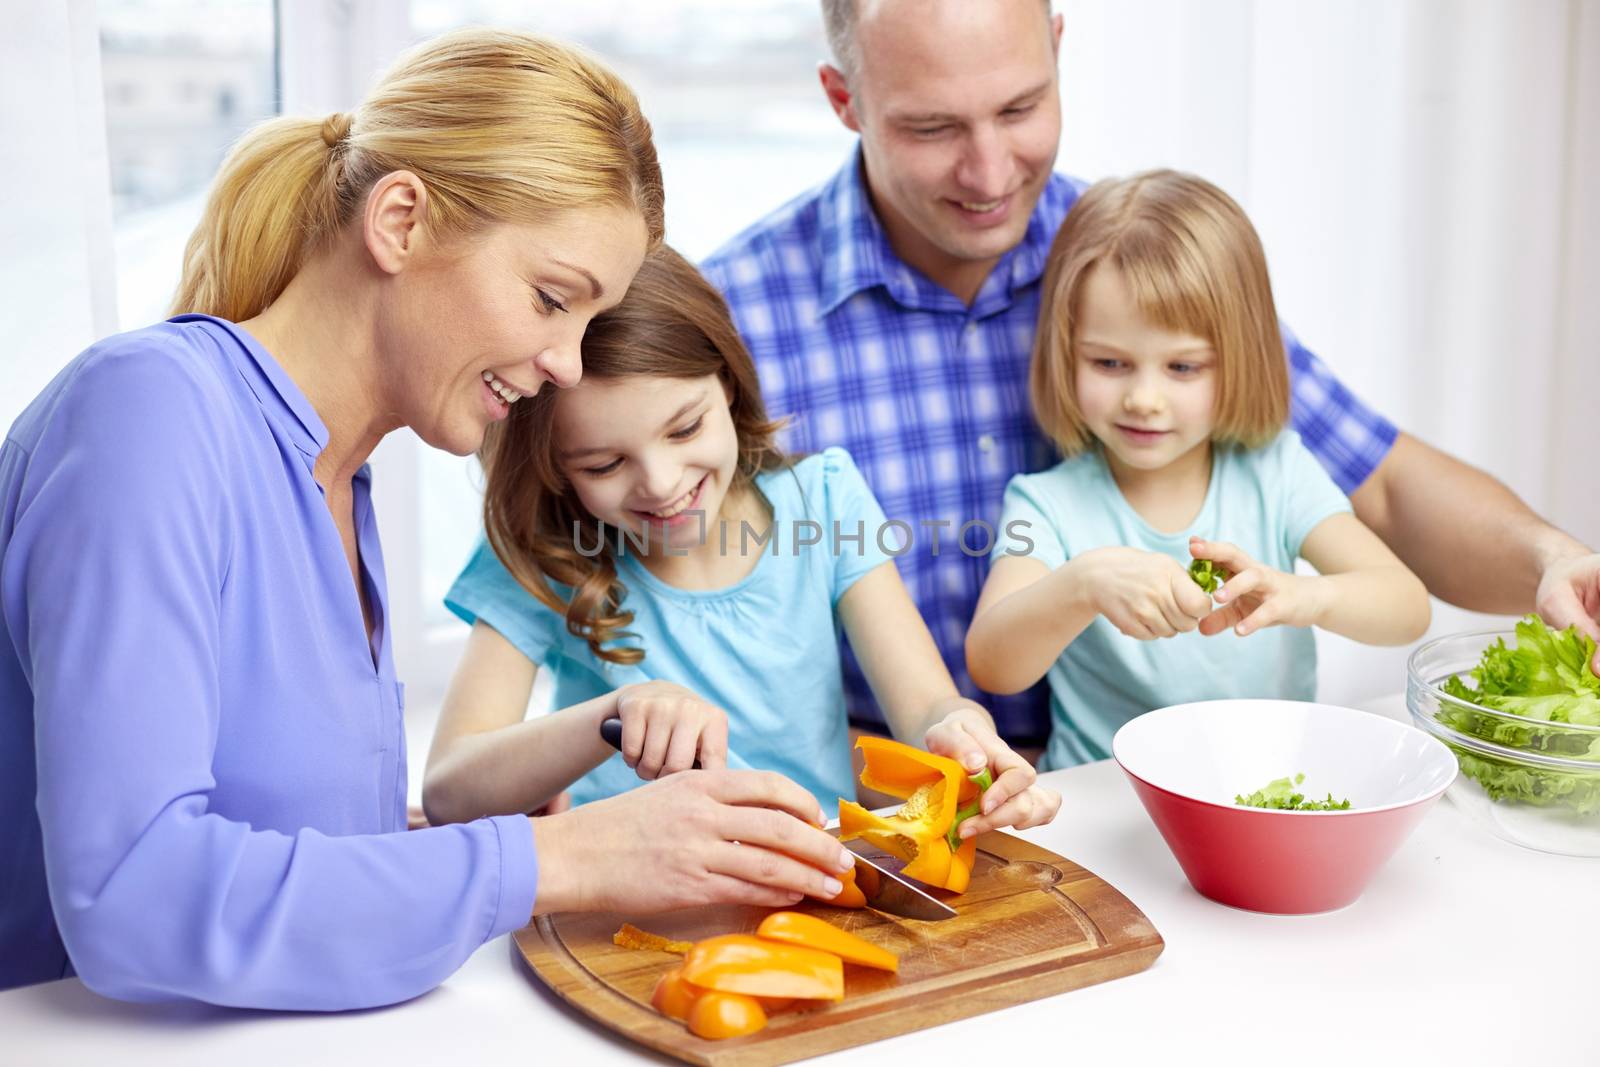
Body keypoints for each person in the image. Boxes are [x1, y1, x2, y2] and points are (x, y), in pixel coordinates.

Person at [0, 29, 856, 1008]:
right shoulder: (148, 412)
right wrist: (549, 855)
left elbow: (278, 848)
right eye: (550, 298)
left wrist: (437, 845)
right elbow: (135, 896)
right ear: (400, 220)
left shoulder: (339, 485)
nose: (567, 366)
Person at [700, 0, 1600, 754]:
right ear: (843, 99)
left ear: (1058, 49)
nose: (987, 172)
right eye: (932, 127)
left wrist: (1553, 562)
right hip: (879, 795)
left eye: (1020, 109)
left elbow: (1386, 492)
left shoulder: (1133, 267)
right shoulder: (730, 320)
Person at [425, 246, 1059, 837]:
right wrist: (612, 715)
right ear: (557, 470)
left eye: (685, 428)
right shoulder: (546, 547)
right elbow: (450, 792)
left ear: (726, 383)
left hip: (812, 870)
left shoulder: (825, 498)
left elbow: (925, 707)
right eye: (603, 466)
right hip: (622, 889)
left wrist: (961, 737)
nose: (662, 484)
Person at [965, 171, 1431, 767]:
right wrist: (1081, 584)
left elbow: (1406, 607)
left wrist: (1302, 596)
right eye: (1110, 362)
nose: (1144, 398)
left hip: (1263, 794)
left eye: (1183, 368)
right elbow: (993, 664)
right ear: (1066, 353)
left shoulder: (1277, 472)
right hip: (1102, 810)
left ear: (1238, 360)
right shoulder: (1046, 504)